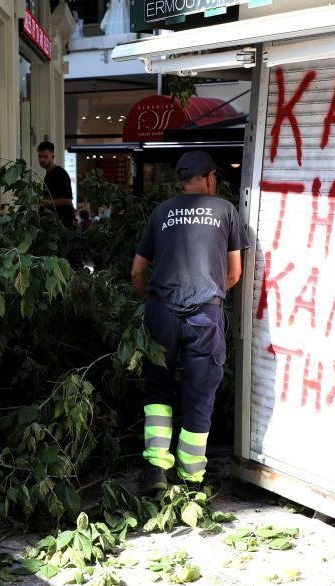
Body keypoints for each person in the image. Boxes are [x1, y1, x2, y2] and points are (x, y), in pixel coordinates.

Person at [131, 150, 251, 492]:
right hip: (205, 314)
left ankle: (155, 469)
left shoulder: (160, 212)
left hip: (161, 312)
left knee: (158, 388)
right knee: (200, 393)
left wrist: (154, 303)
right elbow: (235, 273)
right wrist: (206, 294)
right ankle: (191, 476)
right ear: (211, 178)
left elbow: (138, 271)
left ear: (181, 181)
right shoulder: (226, 211)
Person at [37, 141, 75, 229]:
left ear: (53, 157)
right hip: (54, 223)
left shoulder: (61, 174)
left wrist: (47, 202)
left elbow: (67, 200)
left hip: (60, 225)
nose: (42, 159)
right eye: (40, 156)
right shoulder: (48, 175)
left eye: (45, 156)